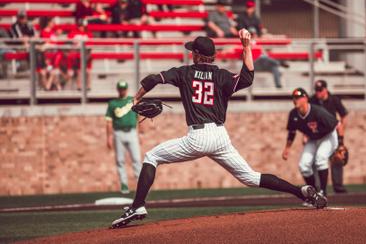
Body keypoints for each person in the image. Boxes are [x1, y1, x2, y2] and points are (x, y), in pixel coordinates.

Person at [110, 31, 327, 228]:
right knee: (251, 177)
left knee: (151, 156)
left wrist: (136, 97)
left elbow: (153, 79)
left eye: (191, 51)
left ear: (196, 54)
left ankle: (138, 205)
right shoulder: (221, 76)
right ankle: (301, 192)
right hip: (220, 136)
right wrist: (246, 46)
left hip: (197, 137)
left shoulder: (184, 73)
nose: (190, 54)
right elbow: (248, 77)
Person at [282, 87, 339, 198]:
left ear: (306, 98)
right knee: (303, 165)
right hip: (313, 138)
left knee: (321, 158)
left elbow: (337, 125)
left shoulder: (318, 111)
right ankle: (313, 195)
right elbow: (292, 132)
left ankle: (323, 192)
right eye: (294, 98)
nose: (295, 100)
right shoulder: (293, 114)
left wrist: (340, 144)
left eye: (298, 97)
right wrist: (287, 148)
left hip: (328, 136)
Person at [310, 80, 349, 194]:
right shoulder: (313, 100)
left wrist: (341, 135)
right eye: (316, 90)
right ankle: (318, 187)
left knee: (336, 159)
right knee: (317, 159)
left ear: (325, 89)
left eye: (320, 90)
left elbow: (344, 116)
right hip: (318, 134)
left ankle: (338, 186)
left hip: (333, 133)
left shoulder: (334, 99)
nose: (318, 92)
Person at [106, 80, 142, 194]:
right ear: (118, 89)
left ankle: (141, 184)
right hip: (118, 133)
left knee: (136, 159)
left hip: (132, 132)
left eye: (124, 88)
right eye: (120, 89)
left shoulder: (132, 100)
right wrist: (109, 137)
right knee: (120, 160)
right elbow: (108, 122)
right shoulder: (113, 104)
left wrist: (140, 133)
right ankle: (124, 184)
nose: (122, 91)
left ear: (126, 89)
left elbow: (138, 117)